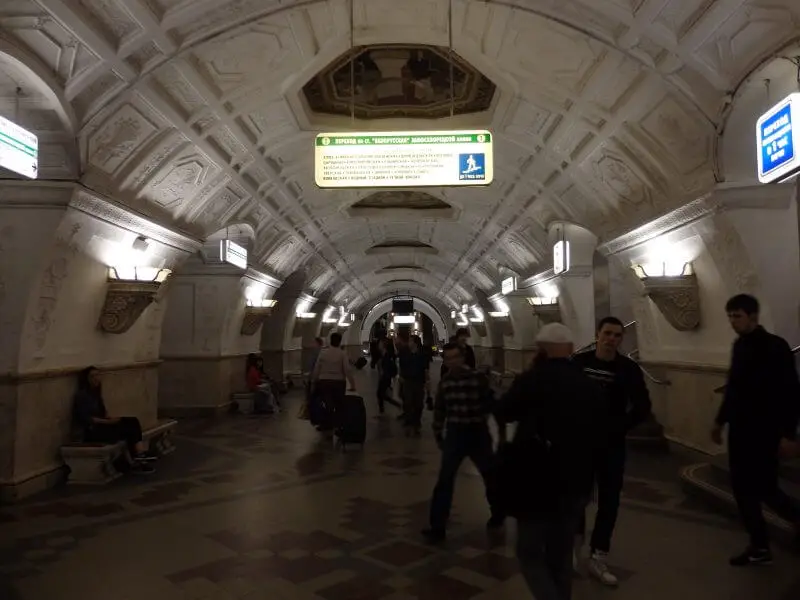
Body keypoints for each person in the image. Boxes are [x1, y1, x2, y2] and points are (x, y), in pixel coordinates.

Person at [495, 323, 604, 600]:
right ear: (569, 350)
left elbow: (504, 412)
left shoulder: (530, 380)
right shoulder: (587, 384)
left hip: (535, 479)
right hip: (576, 479)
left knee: (529, 551)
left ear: (540, 349)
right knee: (561, 553)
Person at [711, 294, 800, 565]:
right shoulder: (739, 346)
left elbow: (791, 393)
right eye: (729, 316)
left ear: (753, 316)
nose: (732, 321)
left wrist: (788, 434)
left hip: (765, 432)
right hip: (740, 431)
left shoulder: (775, 347)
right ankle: (759, 546)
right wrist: (720, 420)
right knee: (741, 490)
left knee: (765, 488)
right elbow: (734, 388)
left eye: (736, 316)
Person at [571, 316, 652, 586]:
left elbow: (642, 406)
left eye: (617, 335)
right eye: (607, 333)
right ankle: (573, 550)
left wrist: (620, 426)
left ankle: (598, 555)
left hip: (611, 446)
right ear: (597, 335)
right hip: (581, 443)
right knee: (577, 498)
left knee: (609, 502)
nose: (612, 339)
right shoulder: (579, 364)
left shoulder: (628, 369)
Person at [422, 343, 504, 543]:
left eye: (455, 357)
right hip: (456, 434)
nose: (452, 362)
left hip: (478, 433)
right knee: (445, 480)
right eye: (448, 358)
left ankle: (498, 513)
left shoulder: (478, 379)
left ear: (463, 357)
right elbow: (440, 410)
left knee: (490, 475)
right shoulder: (446, 382)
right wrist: (438, 433)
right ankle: (438, 526)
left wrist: (501, 434)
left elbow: (493, 405)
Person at [73, 367, 156, 475]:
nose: (96, 378)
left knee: (132, 422)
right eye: (93, 376)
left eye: (98, 375)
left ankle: (139, 456)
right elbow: (87, 419)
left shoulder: (96, 394)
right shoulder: (82, 396)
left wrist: (111, 418)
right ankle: (139, 457)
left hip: (103, 426)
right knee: (128, 428)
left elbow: (103, 413)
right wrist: (108, 422)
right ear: (86, 379)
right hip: (93, 432)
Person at [311, 332, 356, 430]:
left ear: (330, 341)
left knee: (327, 403)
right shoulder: (342, 353)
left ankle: (326, 424)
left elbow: (317, 368)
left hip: (324, 382)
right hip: (339, 382)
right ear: (340, 342)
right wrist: (352, 384)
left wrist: (314, 381)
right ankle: (338, 424)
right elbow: (347, 369)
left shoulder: (323, 353)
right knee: (339, 404)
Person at [399, 335, 430, 437]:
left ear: (415, 343)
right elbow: (402, 365)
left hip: (419, 382)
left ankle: (416, 422)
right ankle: (409, 421)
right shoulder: (405, 353)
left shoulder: (422, 354)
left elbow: (426, 368)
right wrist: (401, 376)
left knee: (419, 404)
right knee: (408, 402)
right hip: (407, 381)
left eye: (410, 341)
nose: (409, 343)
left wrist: (427, 381)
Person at [377, 338, 400, 414]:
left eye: (380, 344)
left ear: (383, 345)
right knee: (380, 394)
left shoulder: (386, 355)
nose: (378, 345)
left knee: (380, 394)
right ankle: (382, 409)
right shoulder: (383, 354)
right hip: (384, 377)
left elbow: (387, 367)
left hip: (385, 378)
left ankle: (395, 404)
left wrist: (384, 375)